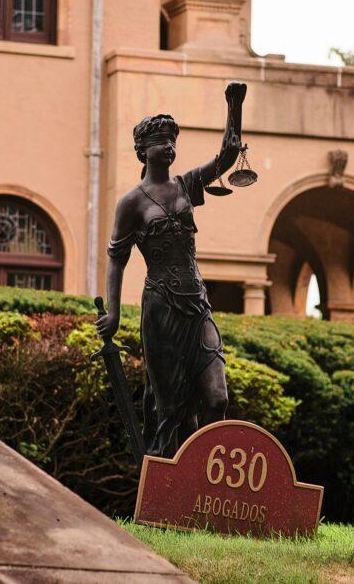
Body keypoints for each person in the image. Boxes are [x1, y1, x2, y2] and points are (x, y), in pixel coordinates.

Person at [97, 81, 247, 458]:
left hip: (197, 305)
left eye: (171, 140)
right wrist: (113, 312)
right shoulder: (131, 203)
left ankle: (208, 477)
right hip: (161, 310)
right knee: (172, 412)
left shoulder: (186, 185)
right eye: (160, 141)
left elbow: (227, 156)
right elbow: (116, 257)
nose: (169, 146)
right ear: (142, 151)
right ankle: (174, 480)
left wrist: (234, 106)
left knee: (217, 398)